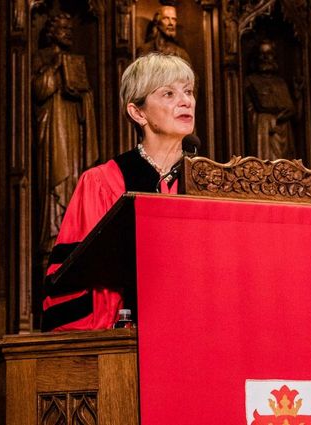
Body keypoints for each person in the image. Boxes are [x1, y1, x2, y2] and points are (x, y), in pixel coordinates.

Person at [42, 53, 196, 331]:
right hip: (124, 342)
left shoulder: (209, 180)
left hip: (197, 333)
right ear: (138, 113)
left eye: (188, 91)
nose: (185, 101)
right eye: (169, 94)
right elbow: (69, 278)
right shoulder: (102, 183)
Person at [32, 13, 99, 253]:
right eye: (64, 28)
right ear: (52, 31)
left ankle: (73, 238)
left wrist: (82, 96)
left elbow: (87, 97)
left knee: (74, 177)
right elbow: (38, 91)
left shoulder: (76, 61)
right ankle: (53, 241)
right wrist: (54, 68)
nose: (69, 32)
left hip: (73, 129)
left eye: (71, 28)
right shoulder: (41, 57)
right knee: (54, 180)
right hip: (52, 128)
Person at [244, 39, 299, 160]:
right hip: (263, 132)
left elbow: (291, 109)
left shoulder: (281, 82)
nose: (265, 58)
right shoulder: (251, 81)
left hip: (283, 134)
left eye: (268, 54)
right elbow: (254, 109)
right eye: (262, 54)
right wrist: (271, 118)